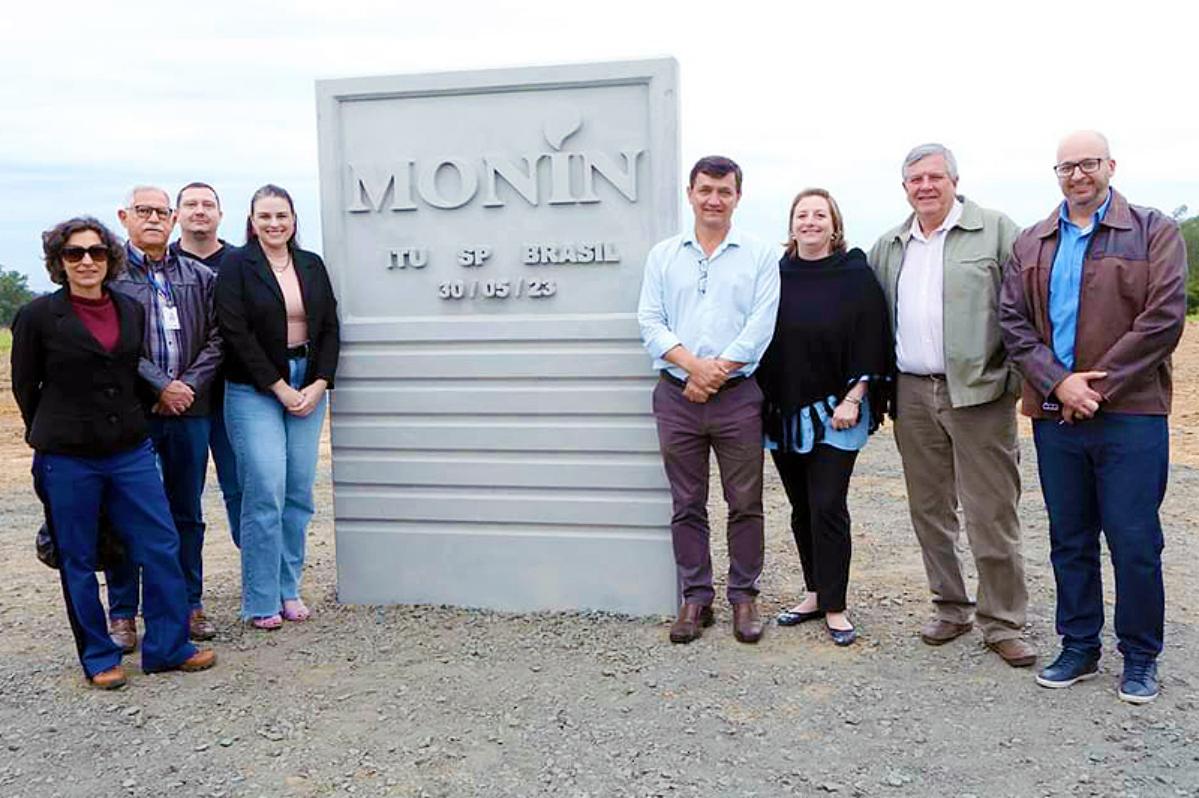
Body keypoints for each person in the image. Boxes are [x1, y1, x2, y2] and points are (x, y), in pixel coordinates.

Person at [1000, 131, 1187, 703]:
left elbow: (1164, 319)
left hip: (1131, 413)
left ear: (1110, 165)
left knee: (1133, 539)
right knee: (1070, 538)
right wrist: (1061, 383)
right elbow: (1013, 323)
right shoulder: (1033, 240)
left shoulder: (1154, 231)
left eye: (1088, 163)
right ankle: (1079, 645)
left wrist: (1096, 388)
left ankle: (1139, 656)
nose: (1078, 175)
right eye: (1066, 166)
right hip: (1055, 415)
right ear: (1056, 173)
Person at [11, 216, 216, 688]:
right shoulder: (38, 317)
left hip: (130, 449)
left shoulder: (129, 309)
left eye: (96, 253)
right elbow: (26, 387)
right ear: (59, 262)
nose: (87, 261)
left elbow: (129, 375)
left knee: (162, 544)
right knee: (78, 558)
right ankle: (99, 657)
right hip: (67, 456)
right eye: (75, 254)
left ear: (109, 259)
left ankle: (168, 646)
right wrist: (52, 433)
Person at [868, 143, 1036, 667]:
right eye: (915, 179)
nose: (925, 186)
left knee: (991, 511)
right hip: (913, 393)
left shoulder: (996, 230)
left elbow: (1028, 304)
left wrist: (1015, 377)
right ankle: (950, 606)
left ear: (954, 181)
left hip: (980, 394)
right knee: (929, 509)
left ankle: (1003, 621)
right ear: (904, 188)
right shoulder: (890, 245)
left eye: (935, 177)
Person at [637, 156, 780, 645]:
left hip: (737, 396)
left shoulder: (759, 255)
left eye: (724, 191)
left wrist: (714, 374)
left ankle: (744, 596)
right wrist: (694, 369)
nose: (714, 199)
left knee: (744, 501)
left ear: (738, 196)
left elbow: (760, 326)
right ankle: (696, 598)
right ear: (690, 193)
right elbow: (650, 322)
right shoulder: (664, 255)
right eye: (705, 190)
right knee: (686, 503)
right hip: (676, 397)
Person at [756, 189, 893, 647]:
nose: (810, 221)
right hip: (783, 412)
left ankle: (836, 605)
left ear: (834, 225)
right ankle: (814, 592)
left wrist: (854, 397)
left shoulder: (855, 274)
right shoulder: (774, 276)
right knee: (800, 508)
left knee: (827, 504)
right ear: (791, 225)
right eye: (802, 214)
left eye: (820, 214)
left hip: (839, 411)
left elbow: (872, 338)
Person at [215, 185, 340, 629]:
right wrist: (279, 387)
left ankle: (289, 589)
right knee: (265, 488)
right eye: (265, 216)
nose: (274, 224)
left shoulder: (311, 265)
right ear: (251, 221)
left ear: (293, 220)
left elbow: (328, 328)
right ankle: (260, 598)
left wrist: (321, 382)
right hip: (255, 389)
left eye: (282, 216)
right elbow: (235, 331)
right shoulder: (236, 265)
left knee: (298, 493)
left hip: (309, 384)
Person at [105, 186, 223, 646]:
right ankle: (122, 613)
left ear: (173, 220)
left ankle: (188, 604)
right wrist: (160, 385)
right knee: (126, 512)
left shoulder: (198, 276)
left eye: (161, 212)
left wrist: (187, 387)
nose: (153, 218)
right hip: (133, 414)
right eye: (143, 211)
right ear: (125, 217)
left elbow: (219, 338)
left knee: (186, 513)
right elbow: (112, 344)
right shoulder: (110, 277)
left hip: (190, 412)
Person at [170, 182, 242, 549]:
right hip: (180, 401)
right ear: (177, 214)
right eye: (191, 204)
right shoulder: (161, 264)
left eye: (208, 204)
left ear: (220, 214)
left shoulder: (241, 262)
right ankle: (186, 593)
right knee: (182, 498)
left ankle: (261, 584)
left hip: (236, 394)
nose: (200, 210)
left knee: (243, 490)